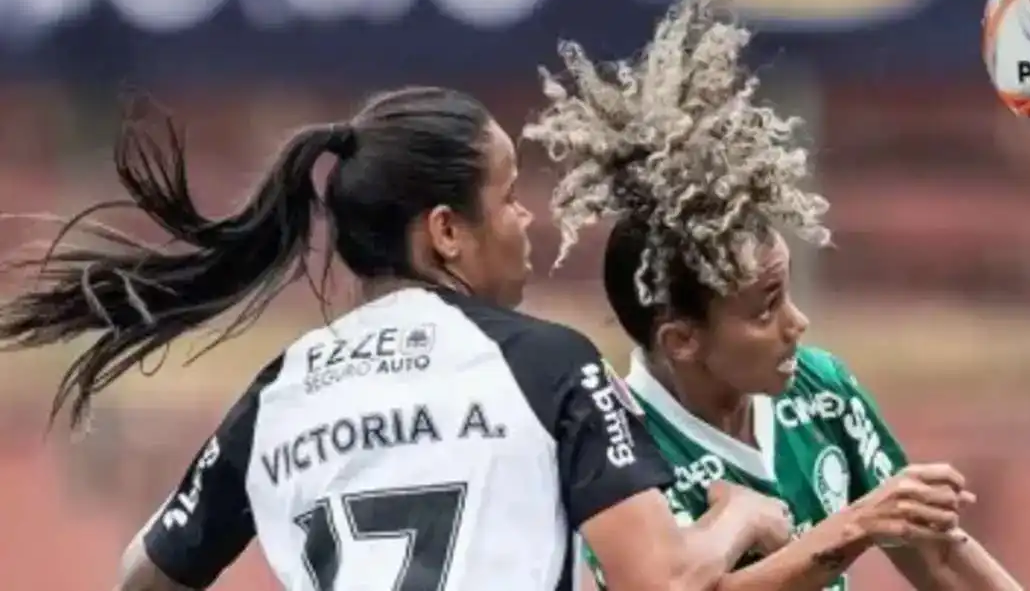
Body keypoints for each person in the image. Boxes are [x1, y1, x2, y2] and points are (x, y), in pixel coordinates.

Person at [0, 86, 791, 591]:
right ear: (446, 230)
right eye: (510, 196)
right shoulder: (546, 363)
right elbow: (662, 581)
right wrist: (743, 515)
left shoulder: (281, 389)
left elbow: (142, 579)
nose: (525, 220)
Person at [525, 0, 1026, 591]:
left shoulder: (822, 393)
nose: (798, 322)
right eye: (766, 308)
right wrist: (854, 525)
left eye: (786, 292)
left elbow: (939, 559)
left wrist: (878, 520)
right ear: (683, 339)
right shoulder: (622, 449)